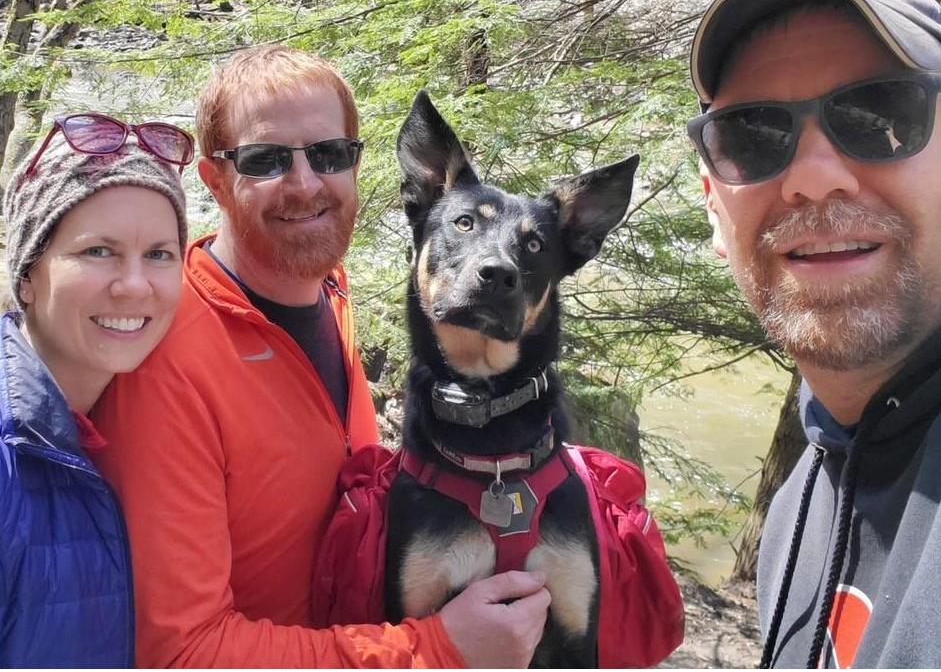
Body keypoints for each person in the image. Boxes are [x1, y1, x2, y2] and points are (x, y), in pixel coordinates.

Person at [92, 44, 551, 668]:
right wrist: (435, 649)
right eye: (266, 159)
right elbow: (183, 652)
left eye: (330, 155)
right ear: (215, 180)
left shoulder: (330, 289)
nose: (306, 184)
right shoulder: (167, 359)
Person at [688, 0, 941, 668]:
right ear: (714, 210)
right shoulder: (797, 508)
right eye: (751, 135)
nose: (812, 178)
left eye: (884, 116)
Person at [0, 114, 192, 666]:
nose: (134, 286)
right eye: (97, 251)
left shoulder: (106, 423)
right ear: (29, 275)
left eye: (158, 254)